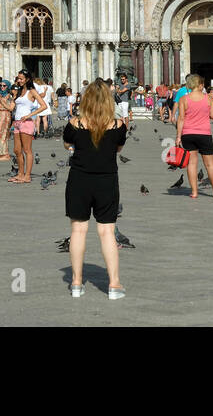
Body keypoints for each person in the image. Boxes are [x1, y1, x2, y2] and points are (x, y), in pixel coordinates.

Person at [63, 81, 127, 299]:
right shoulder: (118, 125)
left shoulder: (75, 123)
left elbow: (66, 144)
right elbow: (118, 148)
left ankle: (77, 283)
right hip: (106, 181)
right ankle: (114, 284)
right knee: (107, 231)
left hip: (79, 179)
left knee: (78, 231)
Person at [175, 74, 213, 198]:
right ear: (200, 85)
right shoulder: (208, 98)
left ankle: (194, 192)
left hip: (188, 134)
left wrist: (178, 136)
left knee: (191, 164)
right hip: (204, 134)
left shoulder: (184, 99)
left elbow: (180, 118)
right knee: (210, 164)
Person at [9, 72, 46, 182]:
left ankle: (27, 176)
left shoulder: (32, 91)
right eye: (18, 78)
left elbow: (44, 106)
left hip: (27, 122)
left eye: (21, 79)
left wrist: (29, 115)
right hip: (17, 123)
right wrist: (1, 100)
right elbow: (11, 108)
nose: (18, 80)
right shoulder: (19, 92)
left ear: (27, 79)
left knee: (27, 150)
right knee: (17, 150)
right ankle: (20, 174)